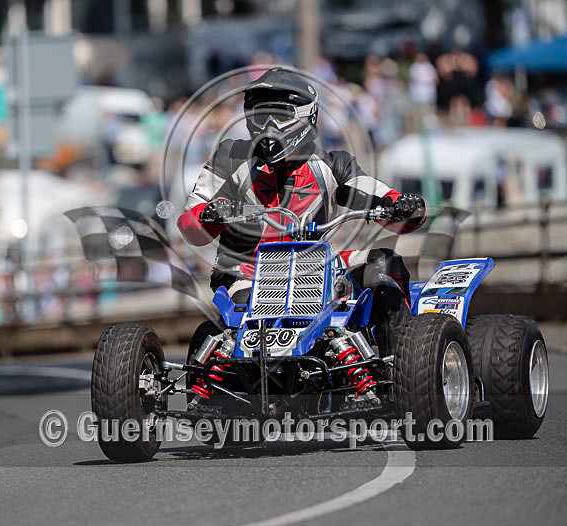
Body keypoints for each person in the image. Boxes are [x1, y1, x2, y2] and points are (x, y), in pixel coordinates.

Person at [177, 67, 426, 356]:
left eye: (279, 116)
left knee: (384, 263)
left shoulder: (333, 165)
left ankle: (397, 368)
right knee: (228, 322)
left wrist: (404, 206)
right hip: (246, 274)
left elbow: (383, 197)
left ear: (306, 116)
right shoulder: (230, 158)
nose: (268, 127)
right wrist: (210, 214)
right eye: (260, 116)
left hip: (319, 270)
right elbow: (189, 225)